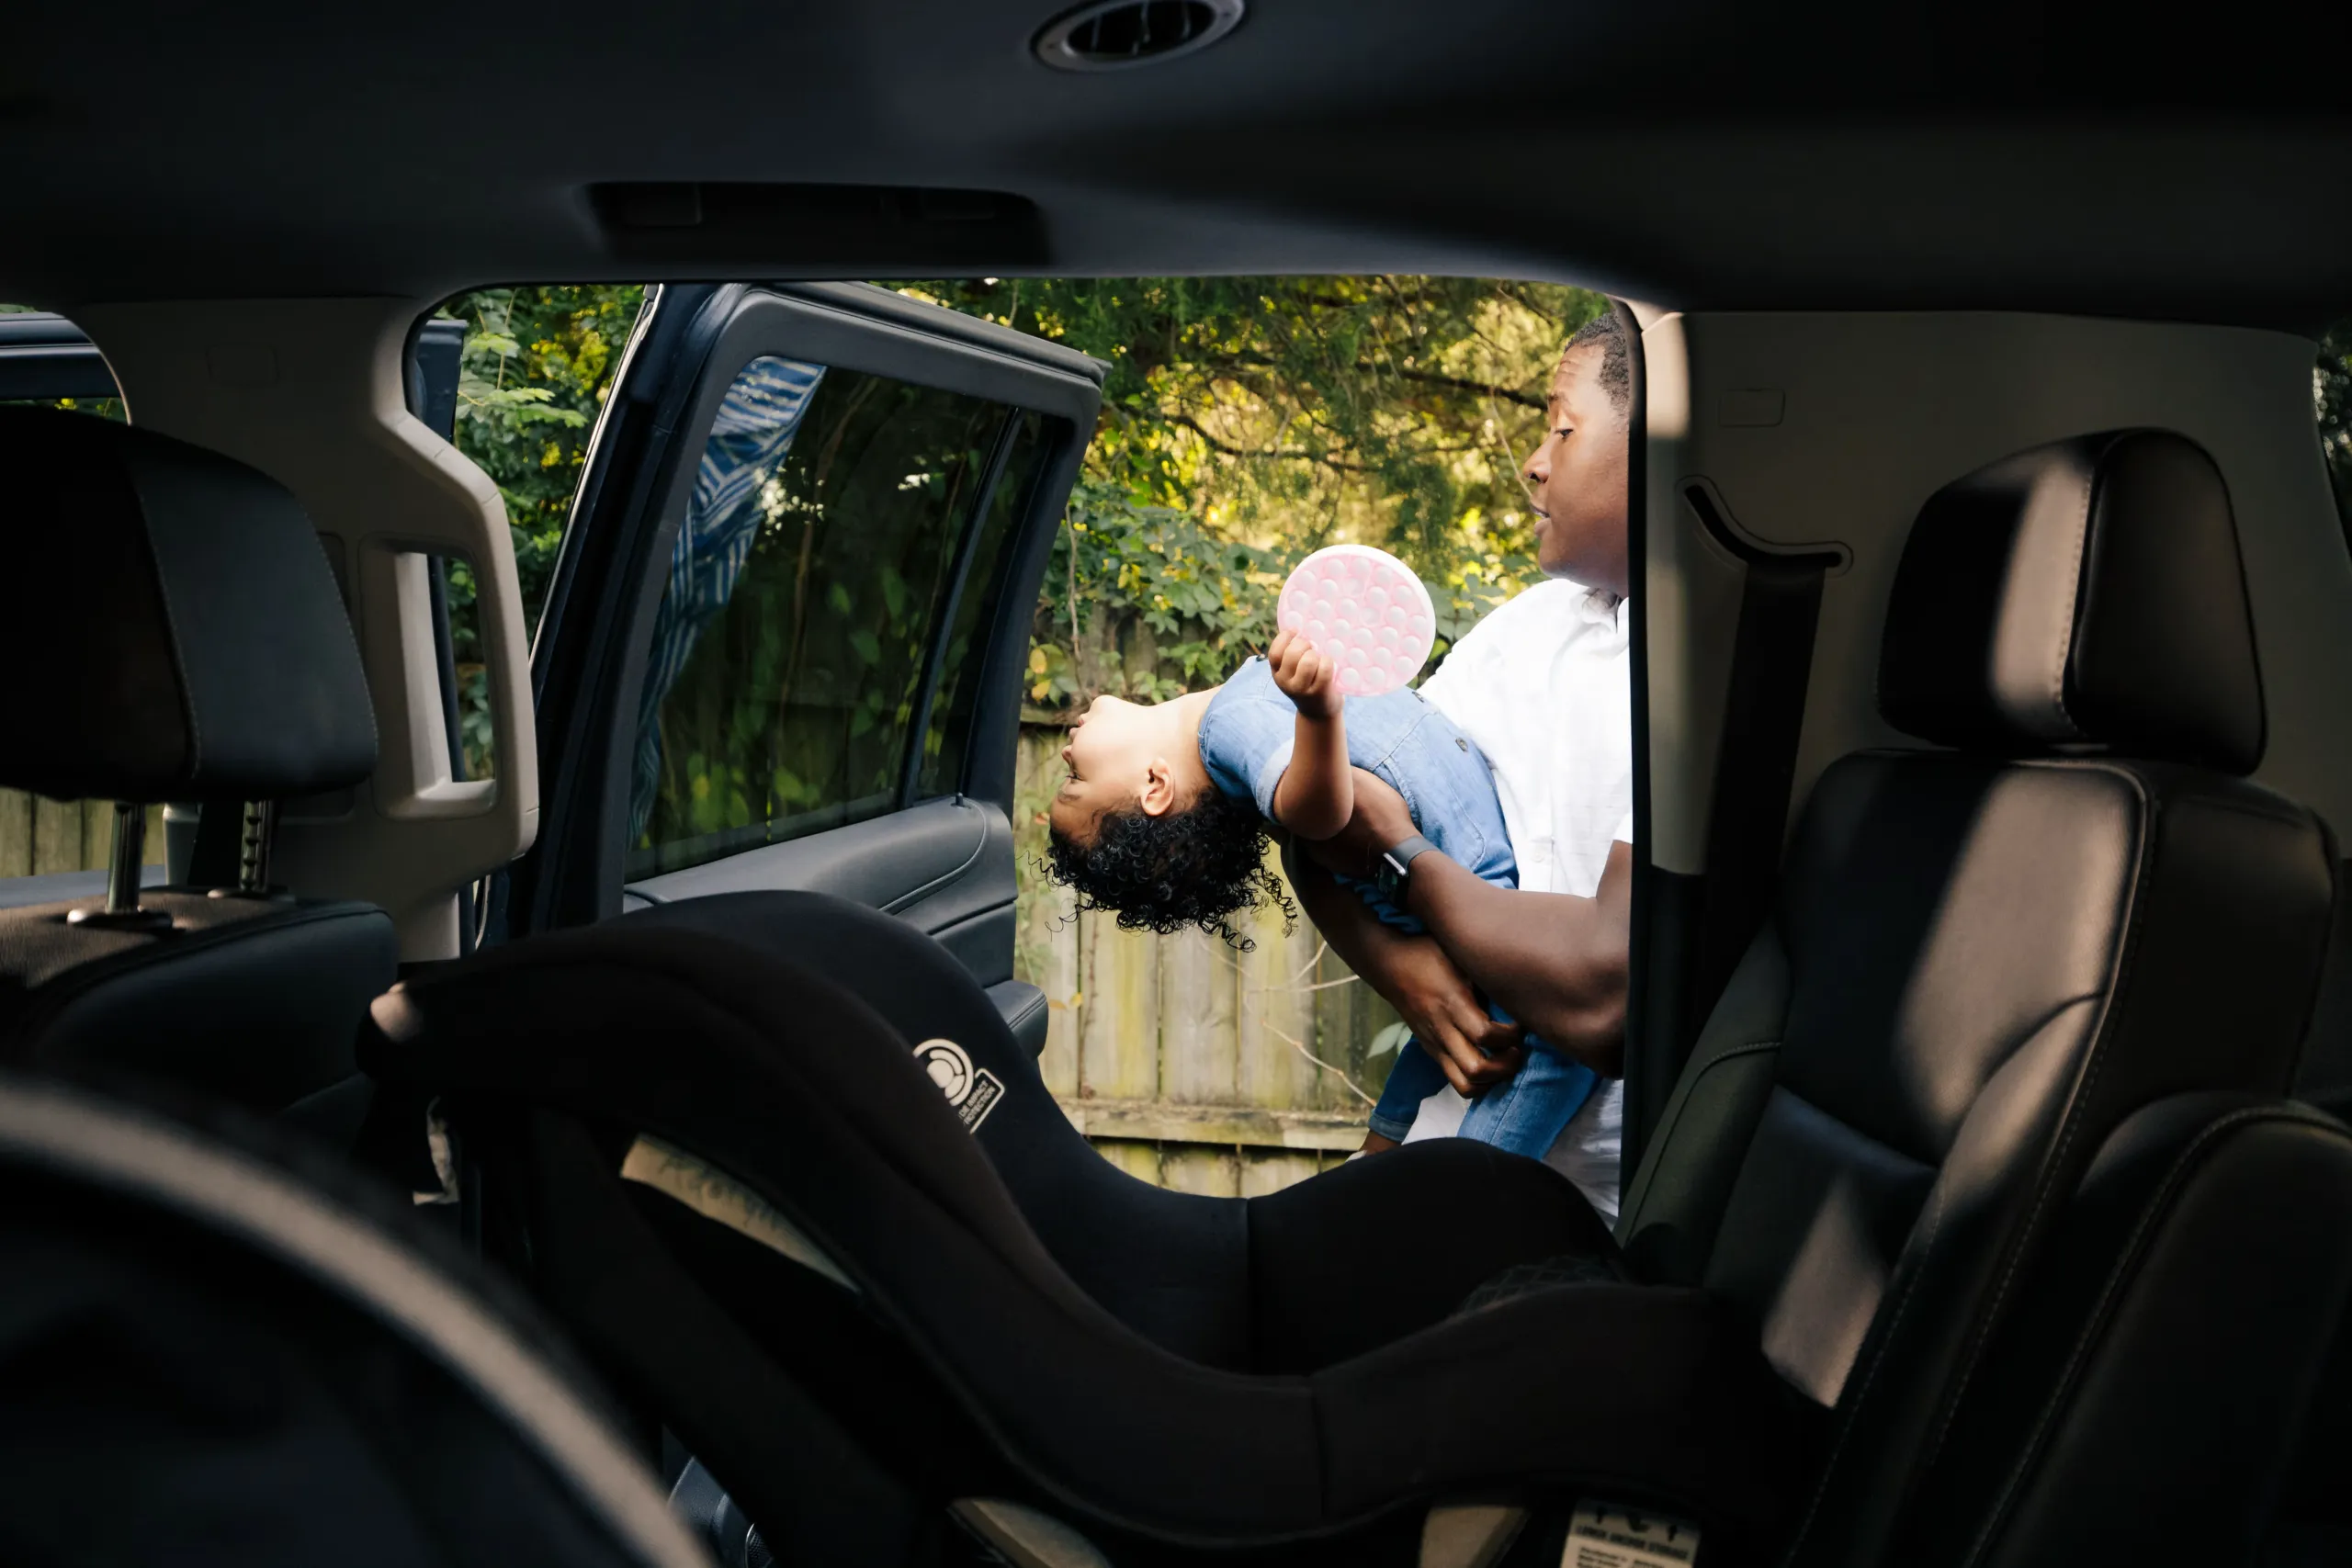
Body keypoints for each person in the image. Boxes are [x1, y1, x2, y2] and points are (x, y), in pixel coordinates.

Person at [1288, 310, 1634, 1219]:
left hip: (1613, 1193)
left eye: (1561, 427)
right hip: (1447, 1123)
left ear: (1664, 449)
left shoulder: (1696, 672)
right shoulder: (1524, 631)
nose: (1533, 461)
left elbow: (1602, 1002)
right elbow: (1331, 827)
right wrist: (1398, 967)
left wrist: (1407, 857)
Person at [1041, 613, 1597, 1157]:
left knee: (1444, 1049)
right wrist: (1318, 712)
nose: (1066, 753)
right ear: (1154, 785)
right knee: (1540, 1056)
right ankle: (1467, 1208)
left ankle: (1373, 1159)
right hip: (1485, 905)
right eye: (1076, 781)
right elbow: (1317, 813)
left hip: (1470, 908)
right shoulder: (1227, 726)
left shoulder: (1234, 714)